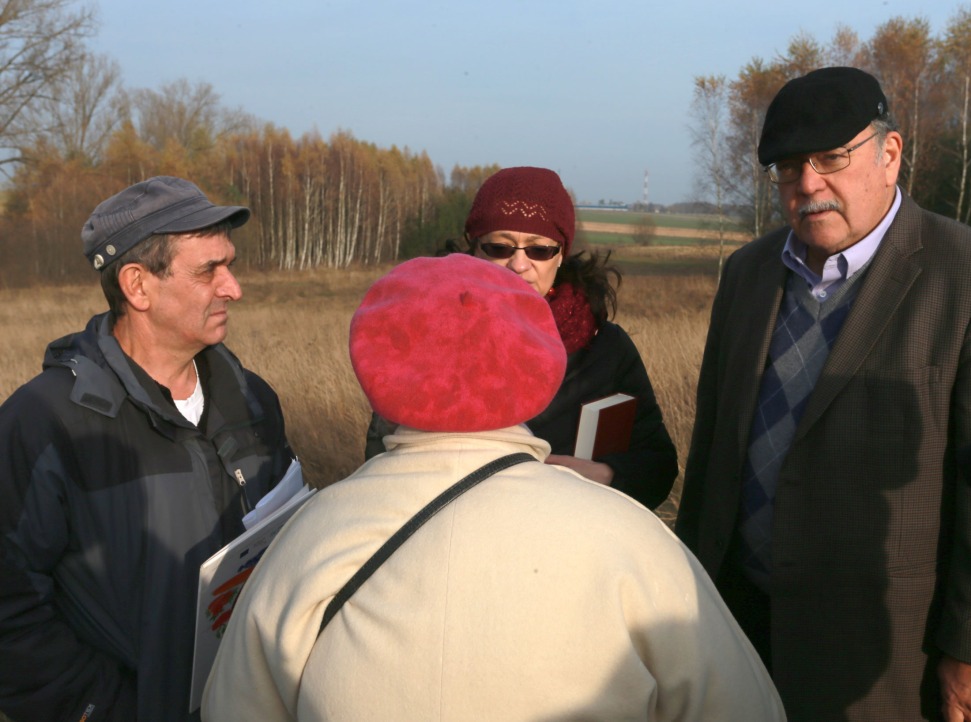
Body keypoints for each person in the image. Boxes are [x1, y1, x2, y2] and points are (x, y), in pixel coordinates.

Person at [203, 253, 785, 721]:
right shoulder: (631, 539)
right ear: (537, 365)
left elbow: (236, 706)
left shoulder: (310, 537)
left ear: (376, 365)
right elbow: (741, 705)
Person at [674, 66, 971, 722]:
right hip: (735, 627)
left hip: (884, 661)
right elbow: (715, 449)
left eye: (832, 159)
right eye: (787, 168)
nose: (808, 185)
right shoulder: (747, 273)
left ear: (890, 155)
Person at [0, 176, 295, 721]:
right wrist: (104, 709)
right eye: (209, 270)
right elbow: (10, 612)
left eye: (229, 264)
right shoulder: (44, 424)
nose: (234, 288)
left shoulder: (250, 399)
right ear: (137, 286)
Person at [366, 166, 678, 509]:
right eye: (499, 247)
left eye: (539, 250)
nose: (518, 264)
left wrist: (604, 475)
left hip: (567, 540)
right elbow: (380, 456)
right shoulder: (425, 336)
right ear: (474, 251)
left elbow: (658, 467)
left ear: (561, 255)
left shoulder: (606, 349)